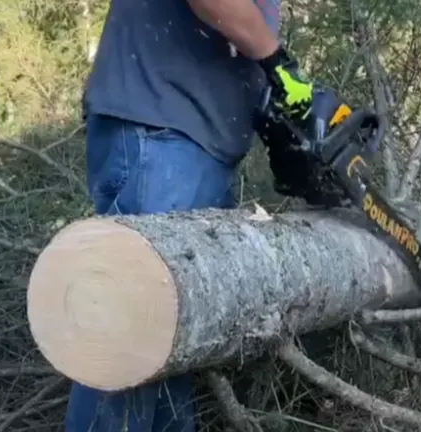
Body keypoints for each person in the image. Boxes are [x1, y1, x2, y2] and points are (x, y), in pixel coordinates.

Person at [66, 0, 328, 431]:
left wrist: (271, 107)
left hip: (193, 144)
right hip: (162, 133)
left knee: (173, 344)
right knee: (131, 331)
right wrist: (277, 61)